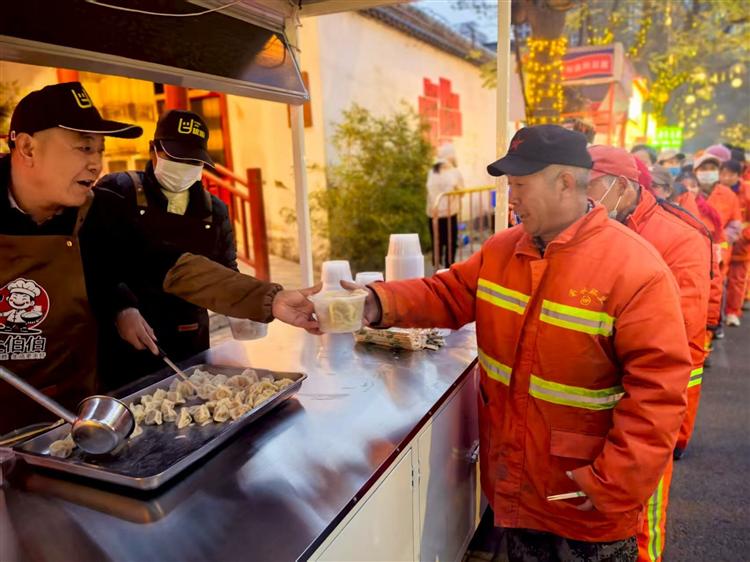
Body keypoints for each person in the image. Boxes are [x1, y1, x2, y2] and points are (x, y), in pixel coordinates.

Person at [339, 125, 691, 562]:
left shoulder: (635, 269)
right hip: (517, 483)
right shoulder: (502, 250)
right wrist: (374, 302)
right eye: (510, 186)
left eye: (520, 186)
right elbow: (446, 294)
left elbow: (659, 391)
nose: (511, 199)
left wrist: (615, 480)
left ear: (565, 182)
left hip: (587, 494)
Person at [0, 82, 317, 435]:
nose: (96, 163)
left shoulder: (99, 212)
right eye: (84, 147)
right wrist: (123, 307)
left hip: (76, 417)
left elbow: (169, 265)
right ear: (27, 147)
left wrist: (270, 299)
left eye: (100, 150)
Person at [586, 146, 711, 562]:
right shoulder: (593, 227)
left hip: (651, 388)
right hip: (599, 387)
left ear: (622, 187)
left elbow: (680, 327)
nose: (582, 201)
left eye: (589, 189)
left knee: (644, 502)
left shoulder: (680, 237)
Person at [94, 110, 238, 389]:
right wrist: (121, 307)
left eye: (192, 160)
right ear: (154, 150)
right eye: (176, 157)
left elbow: (226, 272)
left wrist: (246, 306)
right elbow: (96, 263)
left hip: (190, 339)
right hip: (127, 341)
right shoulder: (118, 191)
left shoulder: (214, 210)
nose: (184, 166)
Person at [694, 152, 742, 339]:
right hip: (693, 250)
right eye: (704, 169)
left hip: (719, 252)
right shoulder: (690, 192)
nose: (708, 172)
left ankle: (714, 326)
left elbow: (735, 224)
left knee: (717, 290)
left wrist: (720, 241)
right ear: (696, 171)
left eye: (712, 168)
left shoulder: (728, 194)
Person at [718, 159, 750, 327]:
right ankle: (717, 314)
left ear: (739, 175)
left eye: (730, 174)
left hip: (740, 246)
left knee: (737, 282)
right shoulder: (715, 192)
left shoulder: (747, 193)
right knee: (718, 280)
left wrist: (743, 236)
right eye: (723, 174)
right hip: (722, 245)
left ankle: (732, 312)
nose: (726, 178)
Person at [426, 143, 464, 268]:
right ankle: (448, 268)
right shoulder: (454, 172)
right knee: (450, 243)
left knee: (436, 243)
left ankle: (436, 269)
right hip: (449, 214)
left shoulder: (432, 172)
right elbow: (462, 191)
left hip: (433, 214)